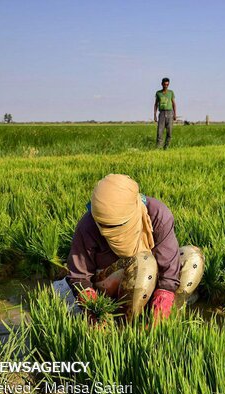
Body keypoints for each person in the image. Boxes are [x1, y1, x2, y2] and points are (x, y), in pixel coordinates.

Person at [67, 174, 203, 321]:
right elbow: (79, 276)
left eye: (116, 225)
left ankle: (162, 318)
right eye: (103, 224)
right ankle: (127, 321)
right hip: (111, 284)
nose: (107, 231)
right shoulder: (87, 226)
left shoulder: (157, 214)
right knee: (144, 262)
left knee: (193, 258)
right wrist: (95, 311)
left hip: (150, 277)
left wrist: (164, 298)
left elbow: (169, 266)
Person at [153, 77, 177, 149]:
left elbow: (174, 104)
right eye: (164, 84)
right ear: (162, 84)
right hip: (162, 114)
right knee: (159, 131)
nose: (166, 86)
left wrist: (175, 114)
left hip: (170, 113)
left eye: (167, 84)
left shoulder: (171, 92)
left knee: (169, 131)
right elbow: (156, 104)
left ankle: (166, 147)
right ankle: (158, 147)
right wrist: (154, 115)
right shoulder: (158, 93)